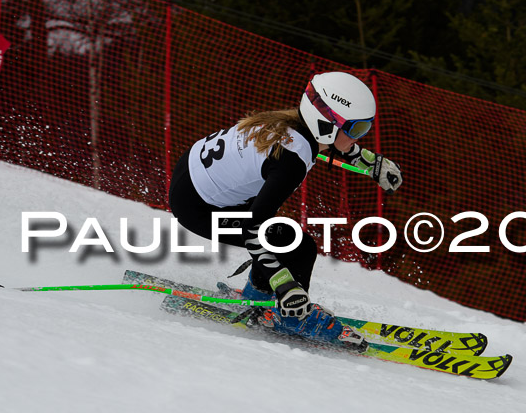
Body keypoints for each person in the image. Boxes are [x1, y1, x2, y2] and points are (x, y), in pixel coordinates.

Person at [168, 71, 403, 350]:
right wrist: (285, 286)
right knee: (297, 246)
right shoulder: (292, 161)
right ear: (327, 125)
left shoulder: (292, 122)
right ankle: (290, 317)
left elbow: (332, 139)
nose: (359, 137)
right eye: (357, 130)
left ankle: (258, 295)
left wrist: (370, 161)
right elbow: (253, 230)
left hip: (195, 174)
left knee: (281, 236)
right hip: (198, 206)